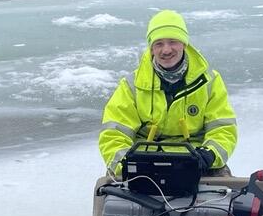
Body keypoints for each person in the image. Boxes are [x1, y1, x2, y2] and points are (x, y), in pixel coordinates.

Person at [99, 10, 237, 177]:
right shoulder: (131, 85)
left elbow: (223, 128)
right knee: (109, 184)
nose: (166, 50)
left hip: (194, 159)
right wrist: (127, 162)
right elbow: (114, 133)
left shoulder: (210, 81)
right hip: (145, 160)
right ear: (151, 48)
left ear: (184, 44)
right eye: (159, 43)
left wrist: (209, 155)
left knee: (225, 187)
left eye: (173, 41)